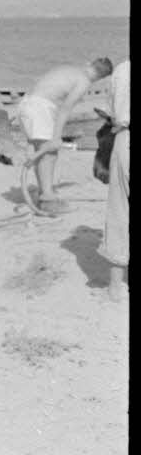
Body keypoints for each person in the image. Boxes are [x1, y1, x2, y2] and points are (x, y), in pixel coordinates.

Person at [20, 57, 114, 215]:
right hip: (39, 108)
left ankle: (44, 193)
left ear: (89, 63)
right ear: (101, 78)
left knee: (42, 152)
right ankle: (48, 200)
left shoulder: (71, 70)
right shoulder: (83, 81)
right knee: (49, 153)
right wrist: (56, 138)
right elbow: (65, 109)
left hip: (27, 104)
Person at [100, 59, 129, 302]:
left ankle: (115, 287)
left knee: (119, 209)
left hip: (125, 139)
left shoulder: (122, 69)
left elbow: (112, 115)